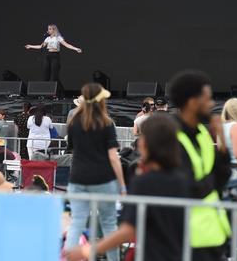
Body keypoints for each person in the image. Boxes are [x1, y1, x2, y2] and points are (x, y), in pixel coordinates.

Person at [66, 114, 190, 261]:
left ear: (146, 144)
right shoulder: (183, 180)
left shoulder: (144, 182)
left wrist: (89, 250)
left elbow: (128, 230)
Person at [168, 70, 231, 261]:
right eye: (208, 99)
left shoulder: (203, 133)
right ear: (193, 102)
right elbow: (186, 188)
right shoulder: (170, 137)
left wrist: (221, 141)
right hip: (185, 238)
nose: (212, 104)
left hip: (211, 234)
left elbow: (221, 177)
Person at [64, 83, 126, 261]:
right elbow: (113, 157)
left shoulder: (74, 123)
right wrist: (122, 184)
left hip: (78, 178)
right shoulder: (107, 124)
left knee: (77, 222)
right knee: (109, 225)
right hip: (104, 180)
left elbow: (72, 150)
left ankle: (68, 258)